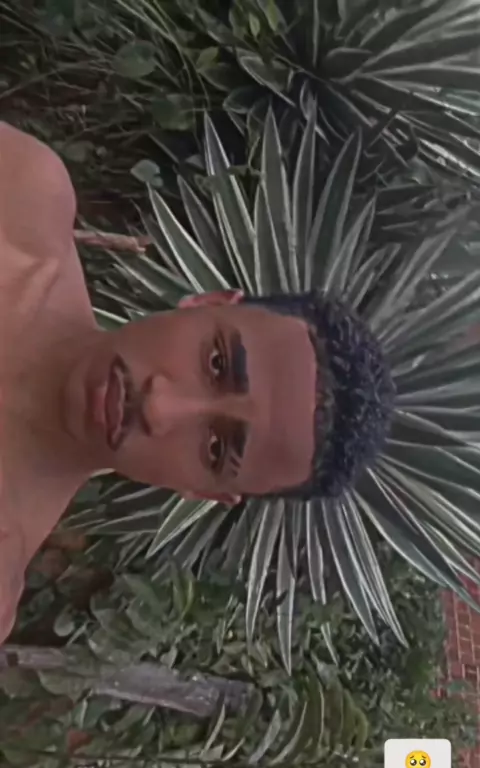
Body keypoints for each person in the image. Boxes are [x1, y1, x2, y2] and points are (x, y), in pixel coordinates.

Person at [0, 122, 395, 643]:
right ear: (206, 302)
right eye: (215, 362)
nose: (160, 407)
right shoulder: (21, 194)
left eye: (215, 449)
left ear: (202, 491)